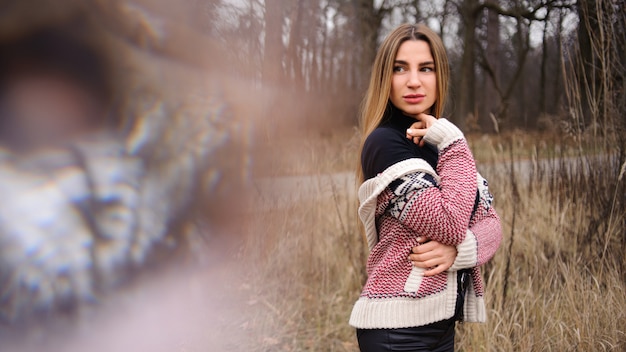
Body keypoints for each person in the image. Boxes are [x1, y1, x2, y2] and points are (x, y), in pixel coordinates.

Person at [349, 24, 502, 351]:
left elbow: (492, 223)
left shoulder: (440, 145)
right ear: (385, 79)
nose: (414, 81)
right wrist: (455, 141)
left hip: (439, 329)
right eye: (400, 68)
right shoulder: (385, 144)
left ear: (439, 76)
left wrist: (459, 250)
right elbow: (448, 221)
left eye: (426, 68)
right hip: (396, 331)